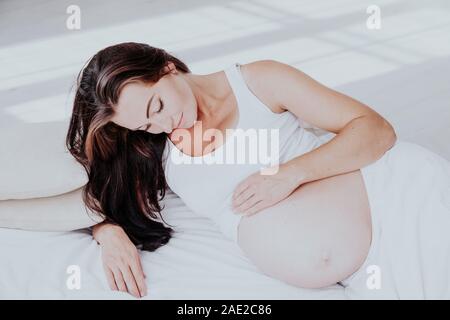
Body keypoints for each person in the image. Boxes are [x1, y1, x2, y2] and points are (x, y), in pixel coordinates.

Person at [66, 42, 398, 298]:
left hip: (389, 220)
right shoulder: (150, 148)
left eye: (159, 106)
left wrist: (290, 173)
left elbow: (375, 130)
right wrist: (107, 232)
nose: (164, 124)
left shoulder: (258, 83)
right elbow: (97, 193)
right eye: (146, 124)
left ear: (167, 67)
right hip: (343, 273)